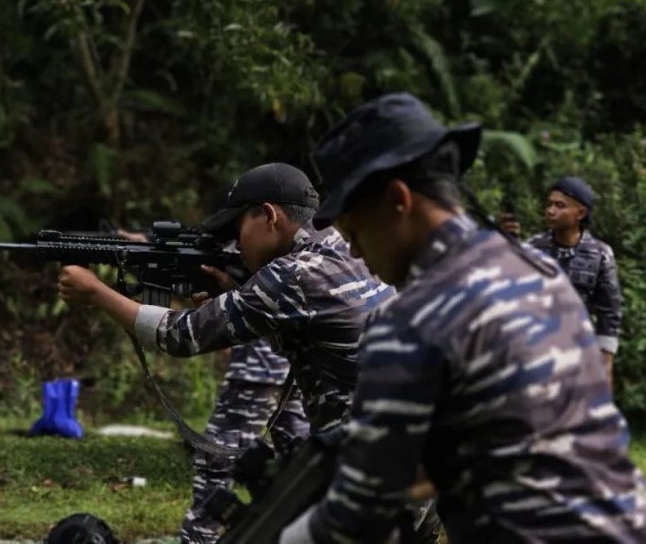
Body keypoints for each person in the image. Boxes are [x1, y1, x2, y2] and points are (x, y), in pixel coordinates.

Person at [280, 93, 646, 543]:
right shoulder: (539, 271)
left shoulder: (410, 322)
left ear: (398, 200)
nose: (354, 251)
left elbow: (358, 514)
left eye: (354, 231)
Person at [57, 163, 442, 539]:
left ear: (270, 216)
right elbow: (316, 326)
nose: (235, 244)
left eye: (238, 228)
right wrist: (235, 296)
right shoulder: (344, 246)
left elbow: (180, 335)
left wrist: (96, 292)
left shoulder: (292, 275)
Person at [113, 229, 310, 544]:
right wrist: (155, 251)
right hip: (284, 362)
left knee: (217, 461)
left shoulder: (268, 252)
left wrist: (97, 291)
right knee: (299, 459)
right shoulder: (300, 244)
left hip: (260, 365)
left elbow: (180, 334)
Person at [500, 177, 622, 387]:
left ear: (580, 213)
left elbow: (609, 313)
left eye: (559, 205)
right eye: (549, 205)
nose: (550, 210)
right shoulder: (534, 248)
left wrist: (606, 366)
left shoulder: (600, 254)